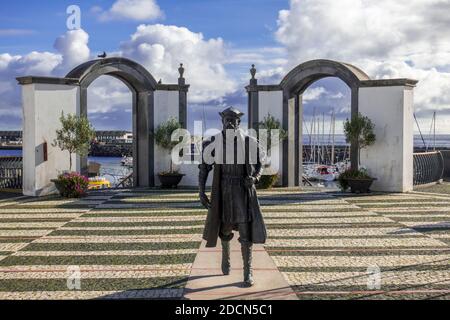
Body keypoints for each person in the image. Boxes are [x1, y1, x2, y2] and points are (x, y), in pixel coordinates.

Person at [198, 107, 267, 287]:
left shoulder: (249, 142)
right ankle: (226, 256)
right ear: (222, 121)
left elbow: (261, 163)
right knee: (225, 229)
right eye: (227, 119)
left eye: (233, 119)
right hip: (223, 191)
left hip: (243, 192)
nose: (229, 122)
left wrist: (256, 177)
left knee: (245, 233)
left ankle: (247, 272)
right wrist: (200, 191)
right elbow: (204, 168)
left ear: (238, 122)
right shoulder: (212, 142)